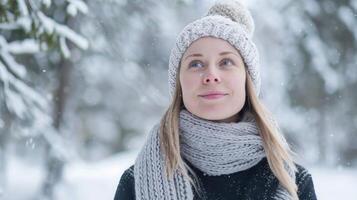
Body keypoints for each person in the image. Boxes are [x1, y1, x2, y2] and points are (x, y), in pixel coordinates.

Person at [114, 0, 317, 199]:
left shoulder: (293, 184)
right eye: (196, 64)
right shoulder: (136, 184)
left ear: (247, 79)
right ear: (180, 84)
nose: (211, 75)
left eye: (226, 61)